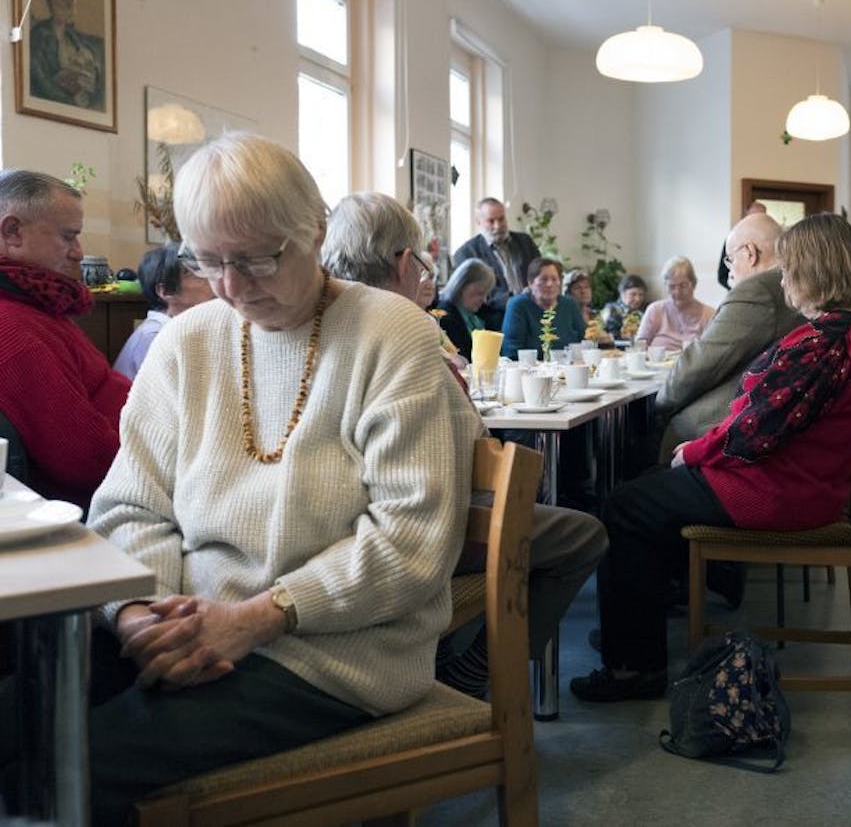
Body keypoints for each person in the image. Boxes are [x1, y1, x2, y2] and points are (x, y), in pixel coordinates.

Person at [76, 134, 478, 822]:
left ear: (316, 232)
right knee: (24, 708)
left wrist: (255, 619)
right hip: (188, 622)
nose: (232, 286)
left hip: (336, 654)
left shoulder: (393, 336)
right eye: (209, 262)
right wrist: (144, 615)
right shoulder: (185, 342)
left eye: (259, 258)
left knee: (77, 763)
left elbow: (410, 545)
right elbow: (128, 510)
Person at [570, 213, 851, 702]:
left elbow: (755, 432)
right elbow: (763, 418)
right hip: (805, 481)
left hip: (781, 491)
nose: (782, 278)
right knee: (651, 490)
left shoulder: (823, 342)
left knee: (625, 505)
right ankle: (644, 626)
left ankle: (633, 666)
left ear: (816, 271)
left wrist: (695, 449)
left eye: (790, 269)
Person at [322, 192, 606, 700]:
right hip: (412, 535)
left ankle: (452, 654)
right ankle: (482, 672)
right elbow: (466, 443)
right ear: (405, 262)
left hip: (329, 531)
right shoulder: (408, 330)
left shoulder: (313, 322)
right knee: (582, 535)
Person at [0, 169, 128, 507]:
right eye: (68, 236)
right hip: (102, 503)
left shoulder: (37, 310)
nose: (78, 251)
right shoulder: (13, 331)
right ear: (12, 232)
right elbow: (87, 460)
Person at [655, 212, 802, 458]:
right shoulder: (792, 283)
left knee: (641, 429)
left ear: (750, 253)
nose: (730, 271)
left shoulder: (758, 290)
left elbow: (699, 365)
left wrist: (657, 404)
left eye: (730, 260)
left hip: (728, 429)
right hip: (772, 423)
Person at [113, 242, 215, 379]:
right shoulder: (153, 336)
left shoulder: (178, 328)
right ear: (165, 291)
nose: (208, 279)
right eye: (191, 273)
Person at [451, 198, 540, 322]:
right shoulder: (466, 253)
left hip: (533, 312)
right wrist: (516, 302)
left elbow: (539, 273)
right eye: (491, 221)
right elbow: (476, 293)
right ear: (479, 221)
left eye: (501, 219)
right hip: (495, 319)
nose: (497, 226)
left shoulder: (525, 242)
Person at [29, 0, 105, 110]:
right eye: (57, 4)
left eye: (66, 5)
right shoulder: (40, 34)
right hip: (56, 98)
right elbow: (39, 75)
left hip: (78, 94)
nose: (61, 10)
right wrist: (69, 100)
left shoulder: (75, 38)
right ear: (50, 6)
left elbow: (91, 66)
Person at [499, 257, 585, 359]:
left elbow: (584, 340)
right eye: (544, 279)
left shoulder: (570, 304)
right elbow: (510, 352)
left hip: (568, 368)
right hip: (530, 371)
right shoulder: (518, 305)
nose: (550, 284)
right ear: (530, 283)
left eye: (554, 279)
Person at [635, 256, 714, 352]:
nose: (677, 292)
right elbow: (639, 345)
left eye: (683, 285)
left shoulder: (709, 314)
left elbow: (712, 352)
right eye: (672, 287)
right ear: (665, 286)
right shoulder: (655, 310)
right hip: (655, 365)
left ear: (693, 284)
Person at [437, 256, 499, 361]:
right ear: (461, 286)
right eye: (480, 293)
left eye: (486, 294)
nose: (484, 300)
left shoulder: (479, 315)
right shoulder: (445, 316)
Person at [716, 201, 766, 289]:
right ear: (746, 218)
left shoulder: (774, 241)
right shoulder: (733, 241)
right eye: (754, 217)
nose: (758, 221)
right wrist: (739, 289)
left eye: (762, 217)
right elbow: (722, 276)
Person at [564, 268, 612, 346]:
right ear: (568, 293)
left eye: (587, 287)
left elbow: (606, 336)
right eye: (577, 288)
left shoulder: (594, 314)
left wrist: (607, 338)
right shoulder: (566, 316)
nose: (583, 291)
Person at [600, 273, 647, 340]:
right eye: (633, 294)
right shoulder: (611, 309)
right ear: (622, 294)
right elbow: (612, 335)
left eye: (641, 295)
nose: (638, 299)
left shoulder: (646, 309)